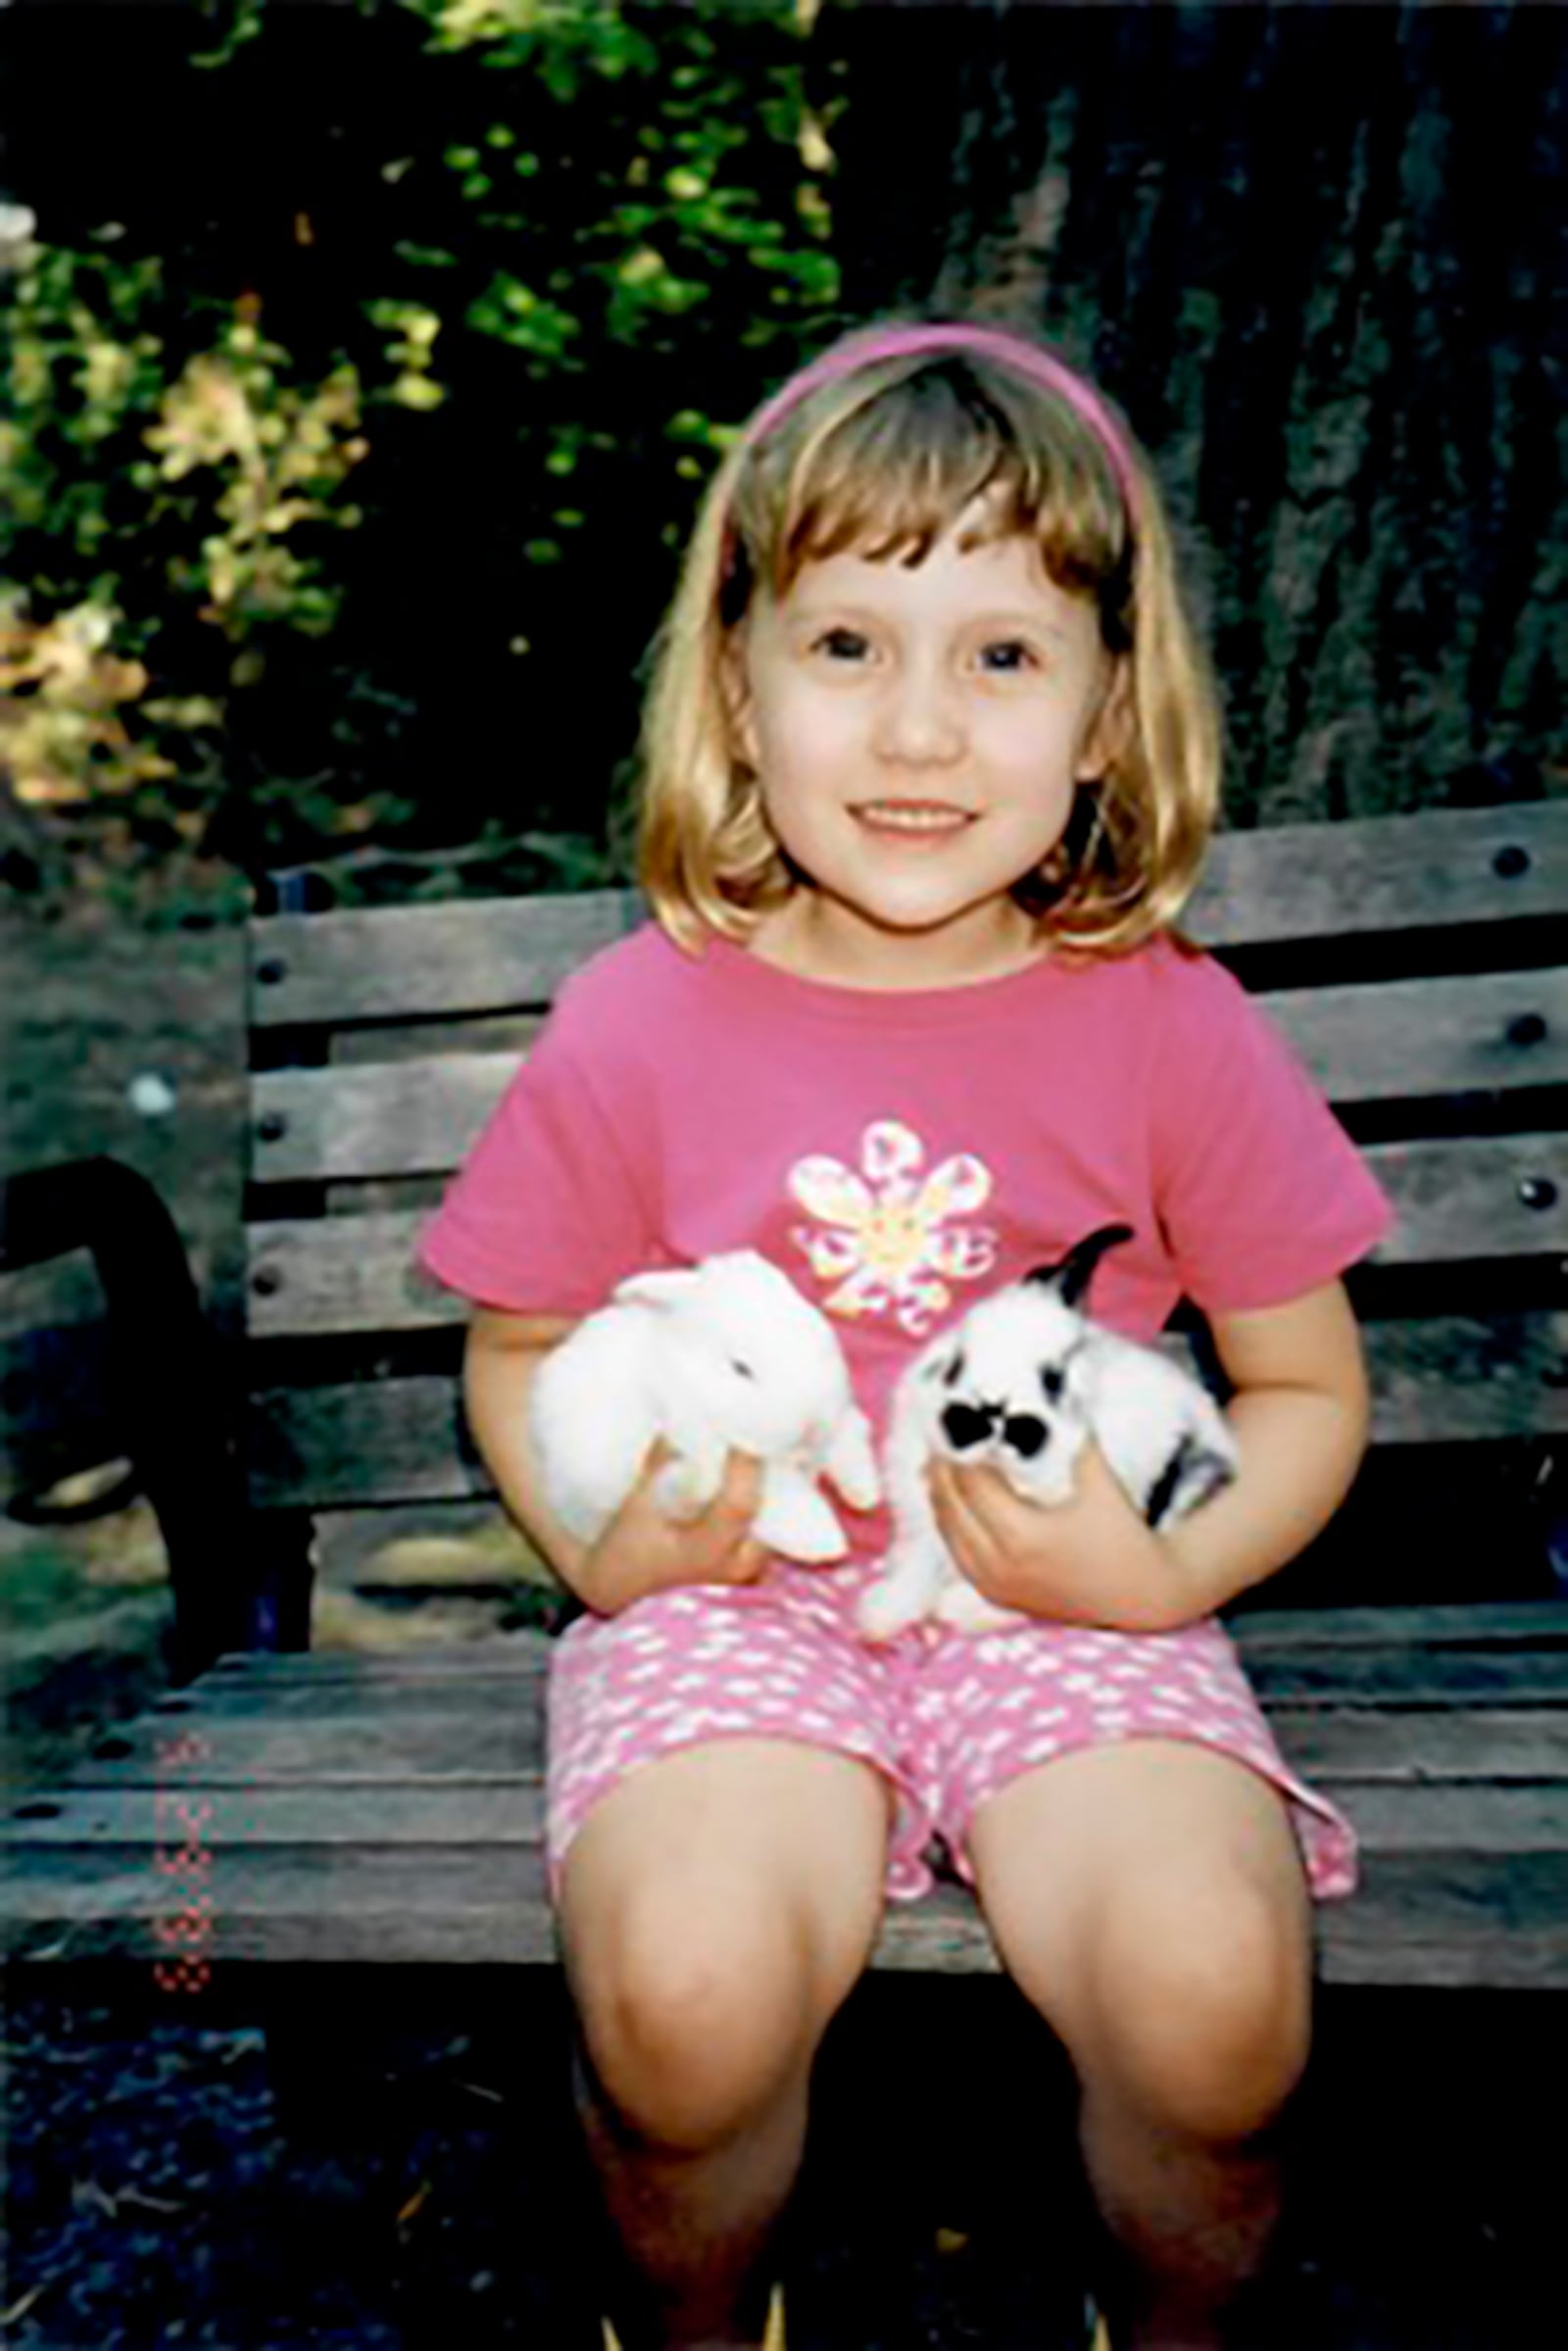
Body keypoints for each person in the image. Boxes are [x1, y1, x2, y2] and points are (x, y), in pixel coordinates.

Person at [418, 317, 1394, 2351]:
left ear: (1106, 713)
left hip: (1072, 1604)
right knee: (679, 2002)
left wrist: (1158, 1572)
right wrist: (603, 1550)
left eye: (1002, 656)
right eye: (848, 647)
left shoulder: (1164, 1023)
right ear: (741, 687)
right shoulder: (640, 1022)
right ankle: (689, 2327)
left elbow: (1302, 1389)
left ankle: (1173, 2329)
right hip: (734, 1603)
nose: (919, 733)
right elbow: (512, 1349)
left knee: (1213, 2009)